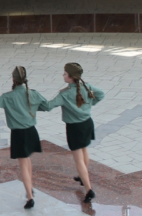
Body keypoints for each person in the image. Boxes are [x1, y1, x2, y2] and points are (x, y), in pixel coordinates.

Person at [0, 66, 49, 208]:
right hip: (32, 131)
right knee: (27, 160)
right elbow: (46, 106)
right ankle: (30, 187)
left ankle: (30, 197)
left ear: (13, 79)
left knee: (23, 165)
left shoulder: (7, 97)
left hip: (18, 134)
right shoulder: (33, 93)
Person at [42, 62, 105, 203]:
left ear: (70, 77)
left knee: (78, 159)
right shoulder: (87, 86)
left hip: (74, 128)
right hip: (87, 123)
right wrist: (90, 104)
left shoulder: (64, 94)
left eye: (65, 73)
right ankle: (83, 177)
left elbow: (48, 106)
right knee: (84, 150)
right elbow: (101, 94)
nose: (63, 75)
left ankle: (89, 189)